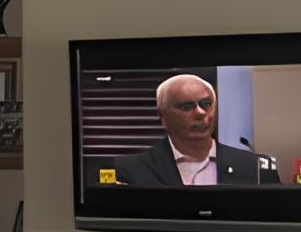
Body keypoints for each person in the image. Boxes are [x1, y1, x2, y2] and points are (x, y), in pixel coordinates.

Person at [113, 74, 265, 186]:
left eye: (206, 104)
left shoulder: (255, 166)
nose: (200, 113)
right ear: (163, 116)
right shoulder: (129, 169)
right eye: (186, 106)